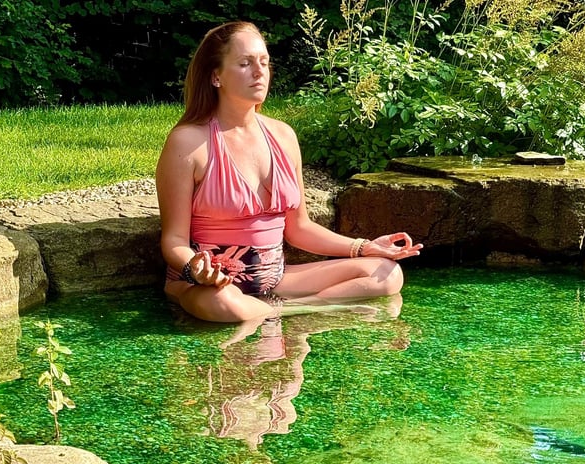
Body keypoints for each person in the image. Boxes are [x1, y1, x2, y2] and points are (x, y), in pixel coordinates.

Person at [156, 20, 423, 323]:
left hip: (276, 279)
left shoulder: (283, 136)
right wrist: (195, 268)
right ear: (216, 76)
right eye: (245, 63)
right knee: (225, 304)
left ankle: (281, 310)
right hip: (211, 287)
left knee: (387, 274)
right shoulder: (189, 143)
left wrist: (364, 247)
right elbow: (174, 240)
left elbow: (299, 229)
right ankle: (293, 311)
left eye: (264, 62)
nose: (259, 72)